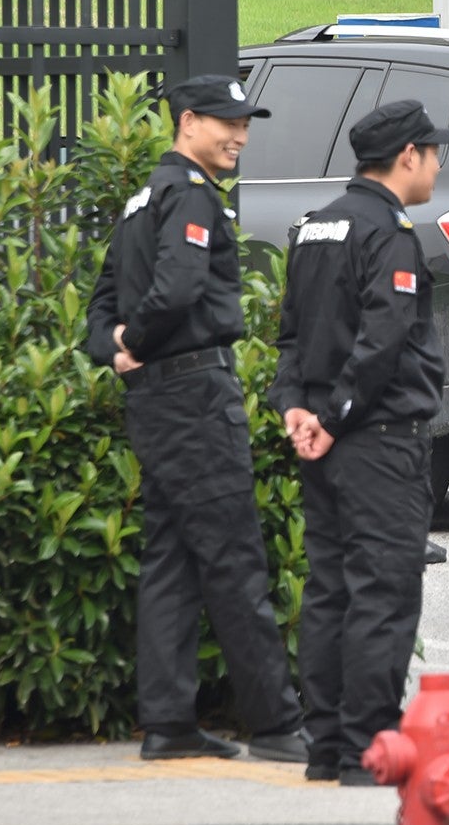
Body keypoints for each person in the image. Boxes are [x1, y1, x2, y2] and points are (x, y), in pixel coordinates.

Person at [85, 75, 306, 763]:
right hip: (193, 396)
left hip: (155, 400)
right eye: (227, 123)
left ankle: (168, 721)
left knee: (172, 560)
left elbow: (99, 304)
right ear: (188, 123)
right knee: (233, 555)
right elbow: (178, 289)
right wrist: (140, 342)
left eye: (245, 123)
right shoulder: (189, 195)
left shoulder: (140, 199)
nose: (240, 134)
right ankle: (276, 724)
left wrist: (117, 348)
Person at [267, 100, 449, 786]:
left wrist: (298, 409)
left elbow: (290, 336)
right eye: (435, 151)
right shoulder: (390, 232)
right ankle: (364, 751)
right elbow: (382, 343)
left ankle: (325, 748)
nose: (438, 163)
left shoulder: (315, 227)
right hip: (378, 442)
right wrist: (339, 414)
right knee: (382, 592)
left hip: (325, 441)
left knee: (329, 592)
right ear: (408, 155)